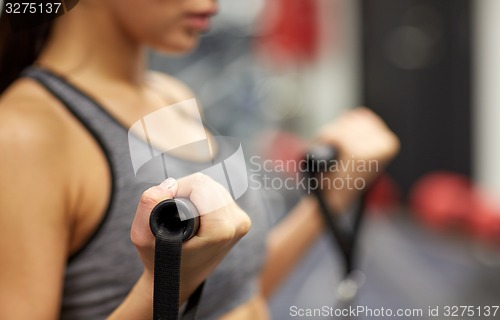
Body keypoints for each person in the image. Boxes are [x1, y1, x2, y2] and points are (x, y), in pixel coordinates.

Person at [0, 1, 400, 319]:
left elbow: (236, 291)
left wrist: (331, 197)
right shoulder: (25, 133)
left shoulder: (172, 96)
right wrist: (164, 287)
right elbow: (182, 290)